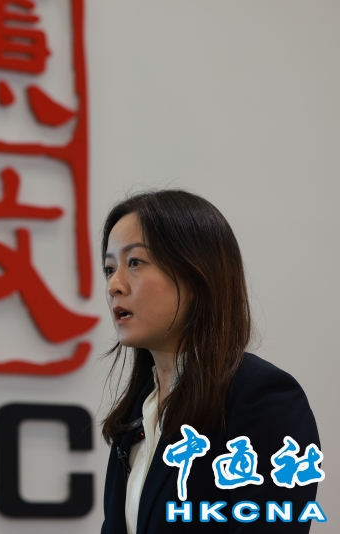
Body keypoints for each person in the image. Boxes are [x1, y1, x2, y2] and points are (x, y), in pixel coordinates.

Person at [99, 190, 321, 533]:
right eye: (109, 268)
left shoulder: (261, 398)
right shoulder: (136, 414)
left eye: (135, 263)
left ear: (196, 273)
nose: (114, 285)